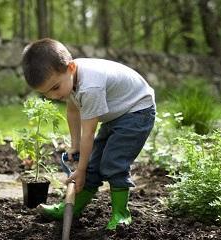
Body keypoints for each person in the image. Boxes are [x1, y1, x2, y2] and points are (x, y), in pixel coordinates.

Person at [22, 38, 156, 230]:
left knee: (113, 162)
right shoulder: (69, 79)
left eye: (55, 88)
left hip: (137, 111)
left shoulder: (90, 86)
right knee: (92, 164)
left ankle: (121, 215)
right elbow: (73, 111)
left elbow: (89, 132)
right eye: (46, 94)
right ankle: (71, 208)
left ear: (70, 68)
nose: (53, 96)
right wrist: (75, 146)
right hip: (116, 113)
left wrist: (81, 170)